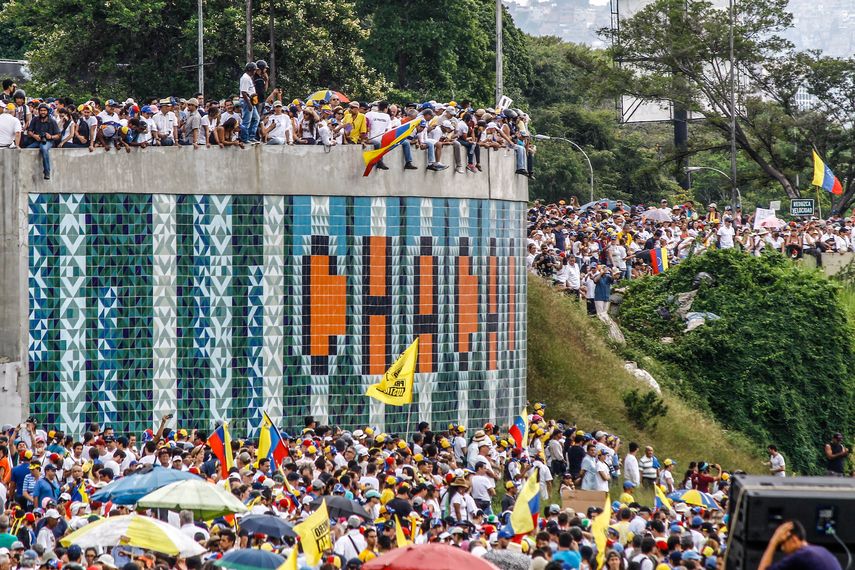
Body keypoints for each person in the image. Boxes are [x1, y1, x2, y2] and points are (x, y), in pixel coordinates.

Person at [758, 520, 842, 570]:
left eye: (782, 543)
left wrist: (773, 541)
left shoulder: (801, 556)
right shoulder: (822, 550)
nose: (782, 549)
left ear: (794, 539)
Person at [25, 104, 60, 179]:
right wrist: (34, 136)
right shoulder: (35, 119)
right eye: (41, 110)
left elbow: (58, 135)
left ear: (47, 111)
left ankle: (47, 172)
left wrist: (51, 136)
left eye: (44, 110)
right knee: (27, 149)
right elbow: (29, 131)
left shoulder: (52, 121)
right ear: (39, 111)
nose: (43, 112)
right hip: (37, 140)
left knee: (44, 149)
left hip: (48, 141)